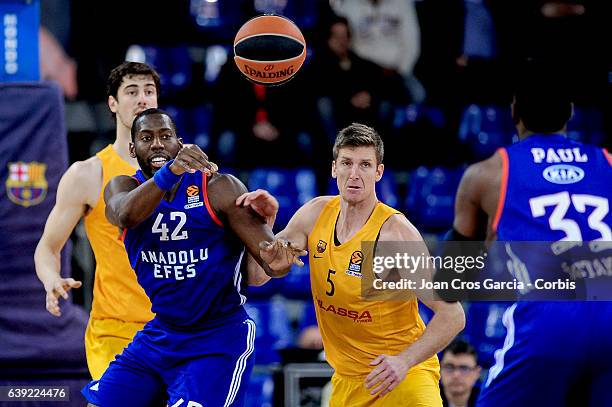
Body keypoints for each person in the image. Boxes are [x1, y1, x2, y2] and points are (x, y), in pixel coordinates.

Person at [82, 108, 305, 407]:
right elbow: (125, 214)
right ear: (133, 149)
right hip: (162, 333)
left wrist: (280, 254)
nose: (158, 144)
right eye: (147, 138)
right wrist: (170, 172)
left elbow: (269, 269)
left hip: (218, 336)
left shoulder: (219, 188)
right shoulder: (123, 187)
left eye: (166, 136)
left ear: (179, 143)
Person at [240, 122, 465, 406]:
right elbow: (258, 275)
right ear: (334, 168)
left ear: (379, 172)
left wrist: (404, 361)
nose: (354, 174)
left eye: (365, 165)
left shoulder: (394, 233)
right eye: (347, 163)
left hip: (403, 379)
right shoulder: (314, 214)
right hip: (347, 382)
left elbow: (453, 314)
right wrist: (262, 229)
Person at [451, 60, 612, 406]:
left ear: (514, 113)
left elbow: (454, 277)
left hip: (551, 320)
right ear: (570, 113)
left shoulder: (489, 173)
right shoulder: (608, 162)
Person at [35, 62, 160, 380]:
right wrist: (51, 279)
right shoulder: (88, 174)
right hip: (115, 334)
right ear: (113, 104)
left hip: (177, 329)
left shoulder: (188, 167)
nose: (142, 99)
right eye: (132, 92)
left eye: (149, 91)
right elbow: (47, 248)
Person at [440, 340, 481, 407]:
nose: (456, 375)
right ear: (440, 369)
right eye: (449, 367)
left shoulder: (488, 400)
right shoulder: (425, 399)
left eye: (464, 368)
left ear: (477, 373)